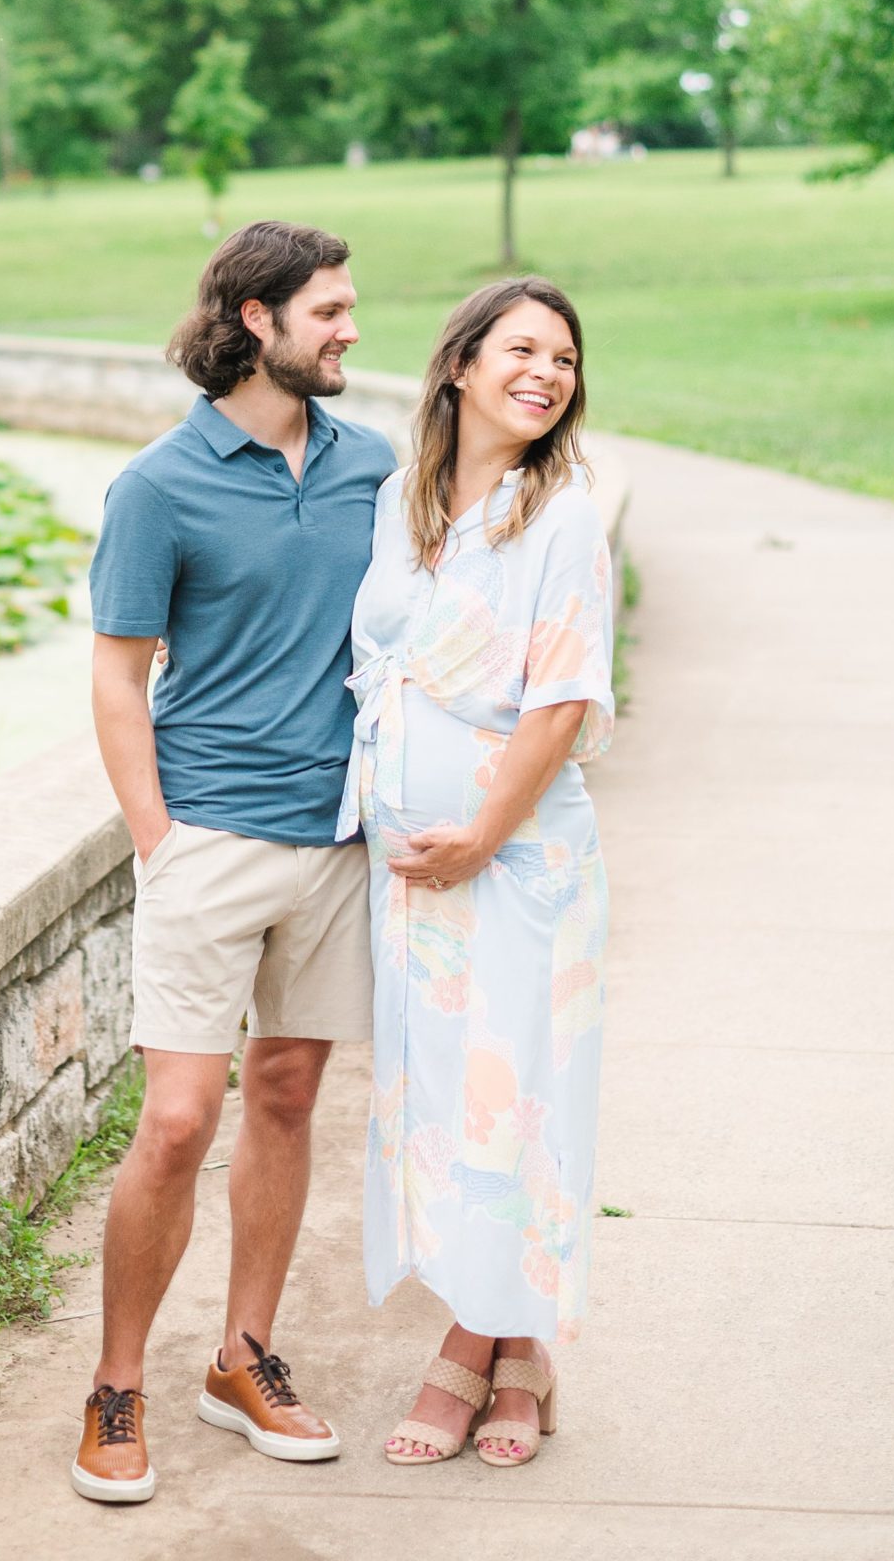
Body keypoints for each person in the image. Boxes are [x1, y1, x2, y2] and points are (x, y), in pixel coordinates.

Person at [72, 220, 399, 1505]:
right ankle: (115, 1383)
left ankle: (241, 1357)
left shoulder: (371, 466)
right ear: (255, 320)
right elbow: (114, 671)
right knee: (174, 1120)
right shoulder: (158, 485)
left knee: (283, 1097)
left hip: (335, 843)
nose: (350, 329)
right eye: (328, 309)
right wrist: (158, 839)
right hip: (208, 834)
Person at [343, 276, 613, 1470]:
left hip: (513, 867)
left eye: (561, 358)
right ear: (457, 364)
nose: (545, 373)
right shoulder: (404, 504)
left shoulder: (558, 518)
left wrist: (481, 837)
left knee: (511, 1093)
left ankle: (472, 1346)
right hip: (411, 875)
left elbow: (560, 702)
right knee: (440, 1099)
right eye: (521, 348)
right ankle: (523, 1351)